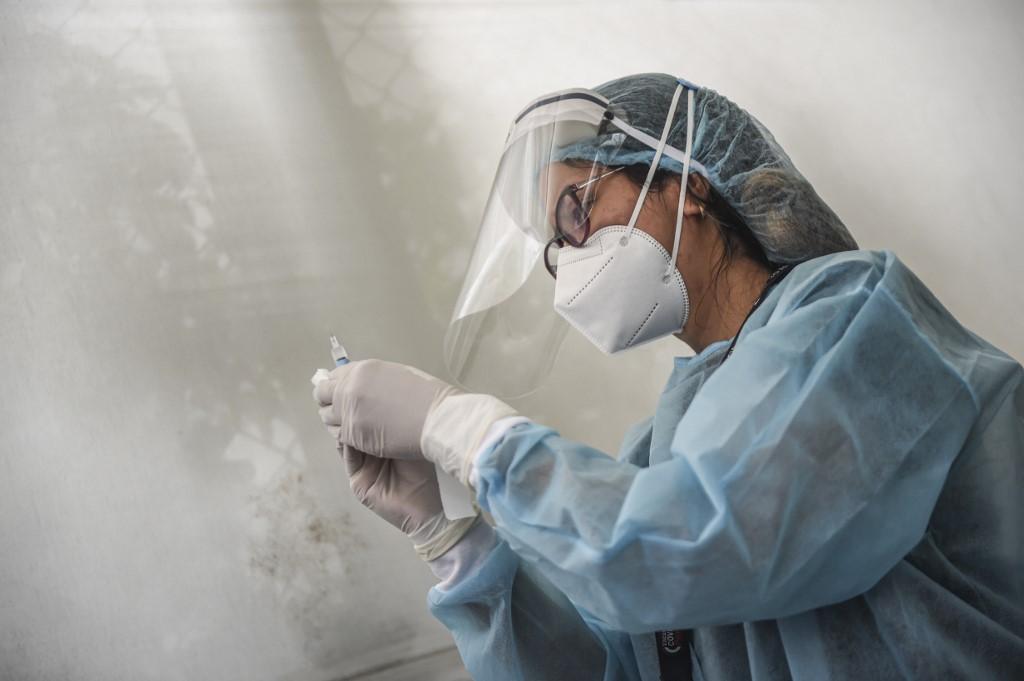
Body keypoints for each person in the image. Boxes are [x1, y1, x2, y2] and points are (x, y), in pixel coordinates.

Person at [314, 73, 1024, 680]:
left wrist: (459, 425)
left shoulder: (854, 321)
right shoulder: (665, 445)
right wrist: (454, 539)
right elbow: (608, 665)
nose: (570, 257)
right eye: (557, 247)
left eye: (576, 209)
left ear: (685, 182)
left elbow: (696, 544)